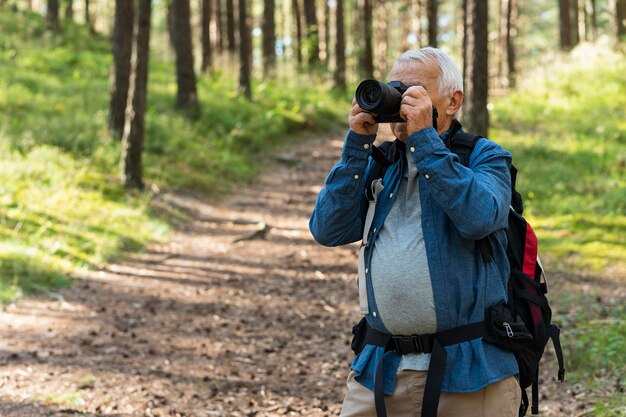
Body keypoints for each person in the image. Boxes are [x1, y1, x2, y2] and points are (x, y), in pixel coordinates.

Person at [309, 47, 521, 417]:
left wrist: (425, 139)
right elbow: (327, 229)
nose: (401, 100)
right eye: (396, 88)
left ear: (453, 101)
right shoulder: (381, 164)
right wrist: (357, 145)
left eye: (415, 91)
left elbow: (478, 217)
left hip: (470, 371)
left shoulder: (486, 157)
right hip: (382, 369)